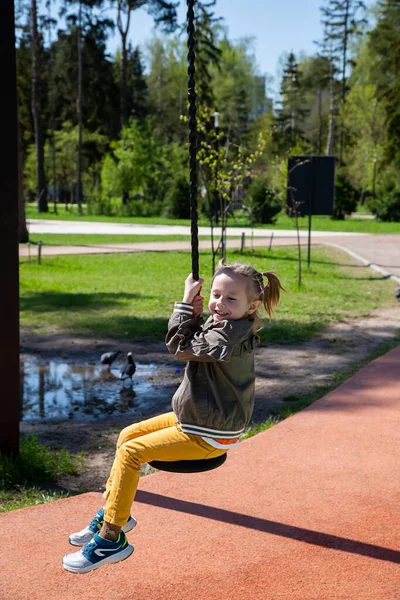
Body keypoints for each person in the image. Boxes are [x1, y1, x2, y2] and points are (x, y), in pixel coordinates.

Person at [62, 261, 284, 574]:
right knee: (127, 436)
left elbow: (179, 348)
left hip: (209, 432)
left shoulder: (227, 338)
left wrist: (183, 305)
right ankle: (117, 513)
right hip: (198, 418)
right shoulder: (227, 324)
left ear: (253, 305)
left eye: (231, 298)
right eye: (216, 294)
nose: (219, 303)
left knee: (130, 453)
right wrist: (194, 315)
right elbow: (192, 340)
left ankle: (111, 538)